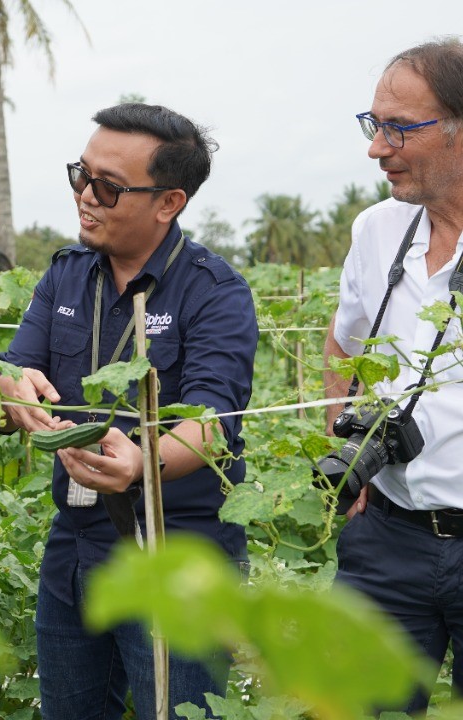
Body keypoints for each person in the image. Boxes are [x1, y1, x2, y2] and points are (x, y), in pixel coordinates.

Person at [0, 103, 257, 719]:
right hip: (75, 545)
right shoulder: (66, 277)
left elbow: (214, 422)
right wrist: (8, 392)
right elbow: (2, 378)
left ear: (169, 202)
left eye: (108, 186)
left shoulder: (215, 292)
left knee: (179, 710)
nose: (86, 196)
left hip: (178, 554)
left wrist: (146, 462)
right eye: (81, 174)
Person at [324, 38, 463, 713]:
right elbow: (343, 343)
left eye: (400, 127)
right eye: (374, 124)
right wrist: (346, 455)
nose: (377, 148)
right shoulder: (378, 230)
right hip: (387, 537)